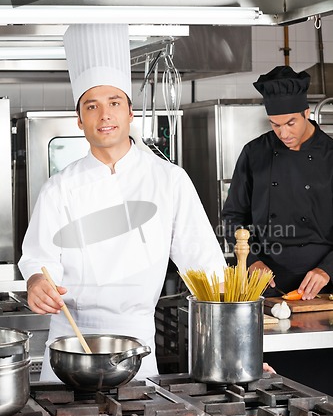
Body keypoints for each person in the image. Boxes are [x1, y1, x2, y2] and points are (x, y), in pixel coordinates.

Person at [18, 24, 227, 381]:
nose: (105, 116)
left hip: (135, 351)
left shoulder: (170, 181)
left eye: (114, 103)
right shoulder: (59, 188)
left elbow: (208, 272)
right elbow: (39, 261)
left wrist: (241, 349)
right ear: (79, 119)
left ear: (130, 114)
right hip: (70, 345)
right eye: (92, 106)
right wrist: (37, 281)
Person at [222, 65, 333, 301]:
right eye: (275, 124)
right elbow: (232, 217)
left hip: (324, 283)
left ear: (307, 113)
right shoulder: (254, 153)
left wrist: (328, 269)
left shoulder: (331, 155)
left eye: (290, 123)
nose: (283, 134)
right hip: (265, 282)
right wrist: (252, 261)